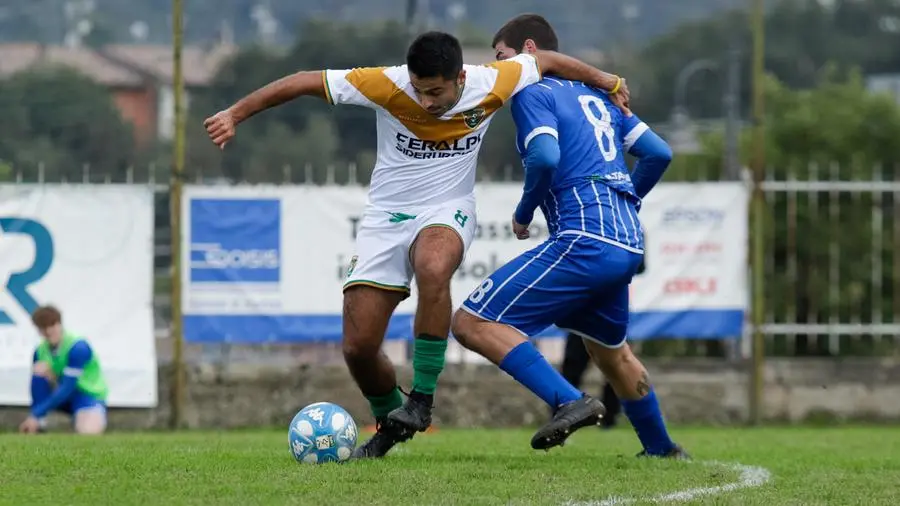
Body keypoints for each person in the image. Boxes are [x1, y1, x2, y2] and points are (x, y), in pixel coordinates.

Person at [204, 31, 630, 459]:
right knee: (358, 347)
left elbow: (549, 60)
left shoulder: (492, 80)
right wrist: (235, 114)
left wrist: (607, 80)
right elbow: (302, 80)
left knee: (432, 265)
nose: (426, 101)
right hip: (385, 219)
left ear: (460, 77)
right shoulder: (385, 84)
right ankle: (392, 421)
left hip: (448, 208)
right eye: (420, 91)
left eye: (436, 92)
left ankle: (422, 399)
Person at [451, 14, 688, 457]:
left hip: (585, 238)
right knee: (611, 353)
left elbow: (543, 158)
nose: (499, 69)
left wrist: (523, 215)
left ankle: (569, 400)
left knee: (472, 322)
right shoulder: (599, 95)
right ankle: (662, 449)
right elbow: (658, 153)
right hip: (625, 240)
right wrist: (626, 201)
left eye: (501, 57)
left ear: (527, 50)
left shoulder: (531, 92)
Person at [18, 305, 108, 435]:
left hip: (87, 395)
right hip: (62, 394)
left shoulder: (78, 347)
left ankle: (80, 417)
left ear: (60, 324)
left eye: (52, 325)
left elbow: (68, 387)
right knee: (39, 371)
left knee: (88, 432)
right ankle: (40, 424)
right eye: (43, 327)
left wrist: (35, 414)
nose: (48, 331)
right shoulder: (40, 351)